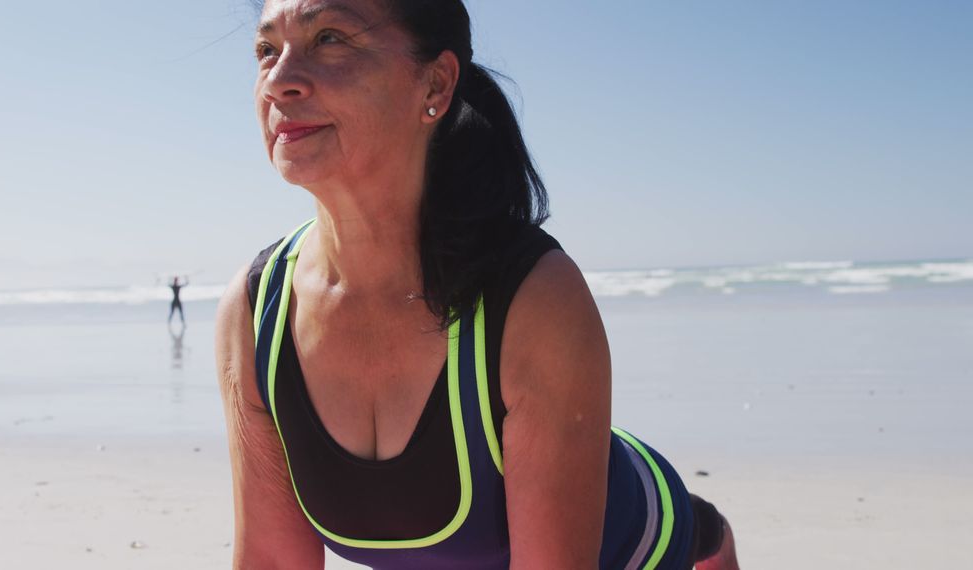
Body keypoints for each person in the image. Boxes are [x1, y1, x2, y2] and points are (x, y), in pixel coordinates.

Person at [214, 1, 741, 568]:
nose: (280, 80)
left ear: (435, 83)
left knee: (705, 535)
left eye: (331, 38)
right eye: (267, 50)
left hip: (639, 541)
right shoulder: (256, 312)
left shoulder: (533, 297)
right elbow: (270, 561)